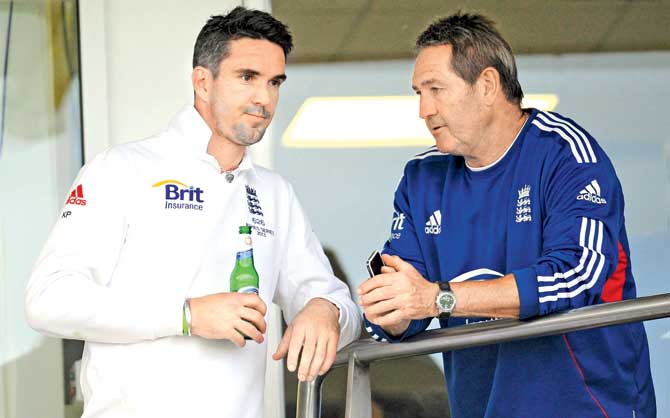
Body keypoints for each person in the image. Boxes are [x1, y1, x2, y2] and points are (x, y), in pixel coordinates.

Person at [25, 7, 360, 418]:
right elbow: (48, 298)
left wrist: (325, 311)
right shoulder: (122, 168)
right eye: (247, 77)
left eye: (275, 82)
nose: (265, 98)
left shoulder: (274, 193)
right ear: (203, 81)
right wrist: (186, 316)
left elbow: (330, 296)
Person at [359, 12, 655, 418]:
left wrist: (437, 298)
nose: (424, 110)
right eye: (418, 93)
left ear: (486, 86)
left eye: (436, 89)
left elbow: (577, 275)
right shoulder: (421, 178)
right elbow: (406, 309)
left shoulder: (566, 154)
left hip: (587, 407)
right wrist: (389, 308)